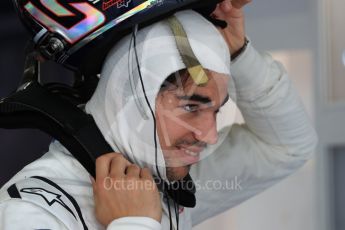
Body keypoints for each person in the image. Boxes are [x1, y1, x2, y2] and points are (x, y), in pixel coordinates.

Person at [0, 1, 317, 229]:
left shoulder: (163, 177)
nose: (209, 135)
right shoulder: (28, 212)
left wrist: (240, 55)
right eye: (191, 107)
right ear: (129, 94)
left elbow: (289, 148)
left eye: (216, 110)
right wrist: (134, 223)